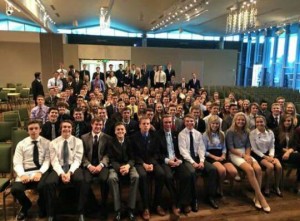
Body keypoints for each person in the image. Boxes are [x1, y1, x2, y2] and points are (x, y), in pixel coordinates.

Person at [225, 112, 270, 213]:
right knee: (250, 169)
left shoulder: (247, 131)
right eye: (238, 120)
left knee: (258, 169)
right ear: (235, 121)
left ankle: (256, 197)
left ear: (245, 121)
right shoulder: (230, 132)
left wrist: (248, 156)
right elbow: (231, 149)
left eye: (242, 120)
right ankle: (261, 198)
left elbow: (248, 146)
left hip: (246, 153)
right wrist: (244, 156)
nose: (240, 121)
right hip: (235, 154)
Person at [45, 120, 86, 221]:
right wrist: (62, 173)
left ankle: (80, 212)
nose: (66, 129)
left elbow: (78, 160)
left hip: (73, 166)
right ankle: (51, 214)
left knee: (81, 180)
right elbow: (54, 161)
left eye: (69, 127)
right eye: (64, 127)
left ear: (72, 129)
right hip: (59, 167)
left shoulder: (78, 141)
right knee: (49, 183)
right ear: (60, 129)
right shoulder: (53, 143)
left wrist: (69, 172)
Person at [178, 114, 219, 211]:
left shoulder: (198, 134)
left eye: (191, 121)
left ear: (194, 122)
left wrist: (201, 161)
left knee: (212, 169)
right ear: (184, 122)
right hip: (188, 159)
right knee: (192, 173)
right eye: (187, 121)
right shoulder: (181, 134)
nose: (189, 123)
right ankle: (194, 199)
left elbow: (201, 149)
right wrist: (193, 163)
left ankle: (210, 197)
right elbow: (183, 151)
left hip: (198, 158)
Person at [12, 120, 50, 220]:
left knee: (44, 186)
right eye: (31, 129)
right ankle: (25, 206)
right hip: (25, 171)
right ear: (27, 131)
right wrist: (21, 174)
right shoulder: (21, 144)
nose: (33, 131)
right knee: (15, 189)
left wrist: (40, 172)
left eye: (36, 128)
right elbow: (17, 162)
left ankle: (42, 205)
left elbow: (47, 161)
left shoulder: (47, 143)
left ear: (40, 130)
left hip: (41, 170)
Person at [155, 114, 192, 216]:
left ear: (172, 123)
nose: (168, 124)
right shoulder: (157, 135)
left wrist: (179, 159)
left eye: (170, 122)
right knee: (169, 177)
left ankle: (183, 202)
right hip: (165, 162)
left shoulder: (177, 134)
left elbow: (181, 149)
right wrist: (168, 160)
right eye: (166, 122)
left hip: (177, 160)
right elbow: (157, 153)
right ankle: (175, 204)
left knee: (187, 175)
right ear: (162, 123)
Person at [130, 116, 165, 220]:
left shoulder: (155, 136)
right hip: (139, 163)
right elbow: (133, 155)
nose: (146, 126)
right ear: (140, 125)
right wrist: (143, 164)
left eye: (148, 124)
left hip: (152, 162)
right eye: (144, 124)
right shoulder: (133, 137)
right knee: (143, 176)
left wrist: (151, 164)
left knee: (161, 174)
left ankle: (157, 204)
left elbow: (157, 153)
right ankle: (146, 207)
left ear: (150, 125)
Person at [107, 122, 139, 221]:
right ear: (115, 131)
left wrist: (128, 166)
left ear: (125, 131)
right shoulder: (110, 142)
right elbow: (111, 159)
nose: (120, 131)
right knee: (112, 178)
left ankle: (131, 208)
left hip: (128, 165)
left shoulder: (129, 141)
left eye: (122, 129)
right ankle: (118, 209)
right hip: (115, 166)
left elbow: (133, 157)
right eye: (118, 129)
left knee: (136, 177)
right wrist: (120, 168)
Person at [81, 118, 112, 217]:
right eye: (96, 124)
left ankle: (104, 205)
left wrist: (101, 165)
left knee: (104, 179)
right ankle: (90, 206)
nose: (98, 127)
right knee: (85, 181)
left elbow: (108, 154)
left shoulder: (107, 138)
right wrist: (89, 165)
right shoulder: (84, 137)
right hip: (89, 165)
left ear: (102, 126)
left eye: (100, 125)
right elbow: (82, 155)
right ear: (91, 125)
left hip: (102, 165)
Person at [203, 115, 237, 197]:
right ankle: (220, 187)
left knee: (233, 171)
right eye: (213, 123)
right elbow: (204, 151)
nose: (215, 125)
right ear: (209, 124)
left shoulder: (221, 133)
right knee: (222, 170)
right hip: (210, 156)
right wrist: (215, 157)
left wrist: (224, 154)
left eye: (217, 124)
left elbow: (224, 147)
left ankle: (230, 188)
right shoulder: (205, 134)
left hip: (221, 154)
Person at [249, 115, 282, 197]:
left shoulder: (270, 132)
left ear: (265, 122)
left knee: (279, 167)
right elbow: (254, 149)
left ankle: (276, 186)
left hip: (269, 154)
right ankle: (266, 187)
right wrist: (265, 157)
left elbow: (272, 146)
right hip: (258, 154)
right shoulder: (252, 133)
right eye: (257, 122)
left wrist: (271, 155)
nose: (259, 123)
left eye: (261, 121)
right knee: (270, 166)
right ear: (255, 123)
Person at [274, 114, 300, 193]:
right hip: (279, 153)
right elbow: (275, 145)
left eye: (289, 121)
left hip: (290, 153)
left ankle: (298, 183)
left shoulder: (294, 132)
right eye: (285, 121)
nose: (287, 122)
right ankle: (297, 184)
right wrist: (286, 151)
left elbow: (296, 145)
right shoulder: (276, 131)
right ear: (282, 122)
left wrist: (289, 151)